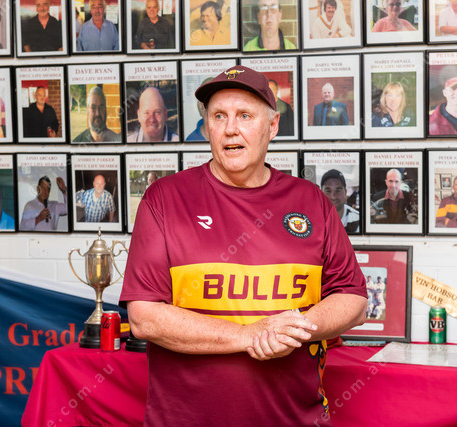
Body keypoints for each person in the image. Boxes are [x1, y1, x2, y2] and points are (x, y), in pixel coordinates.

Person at [119, 65, 366, 425]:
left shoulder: (311, 201)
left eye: (245, 115)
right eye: (219, 116)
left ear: (273, 126)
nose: (230, 128)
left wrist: (291, 330)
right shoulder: (165, 199)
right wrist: (248, 335)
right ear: (207, 127)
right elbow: (145, 318)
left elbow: (354, 300)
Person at [320, 169, 359, 233]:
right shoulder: (310, 220)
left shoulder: (357, 219)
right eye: (328, 191)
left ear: (345, 192)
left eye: (338, 191)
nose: (333, 196)